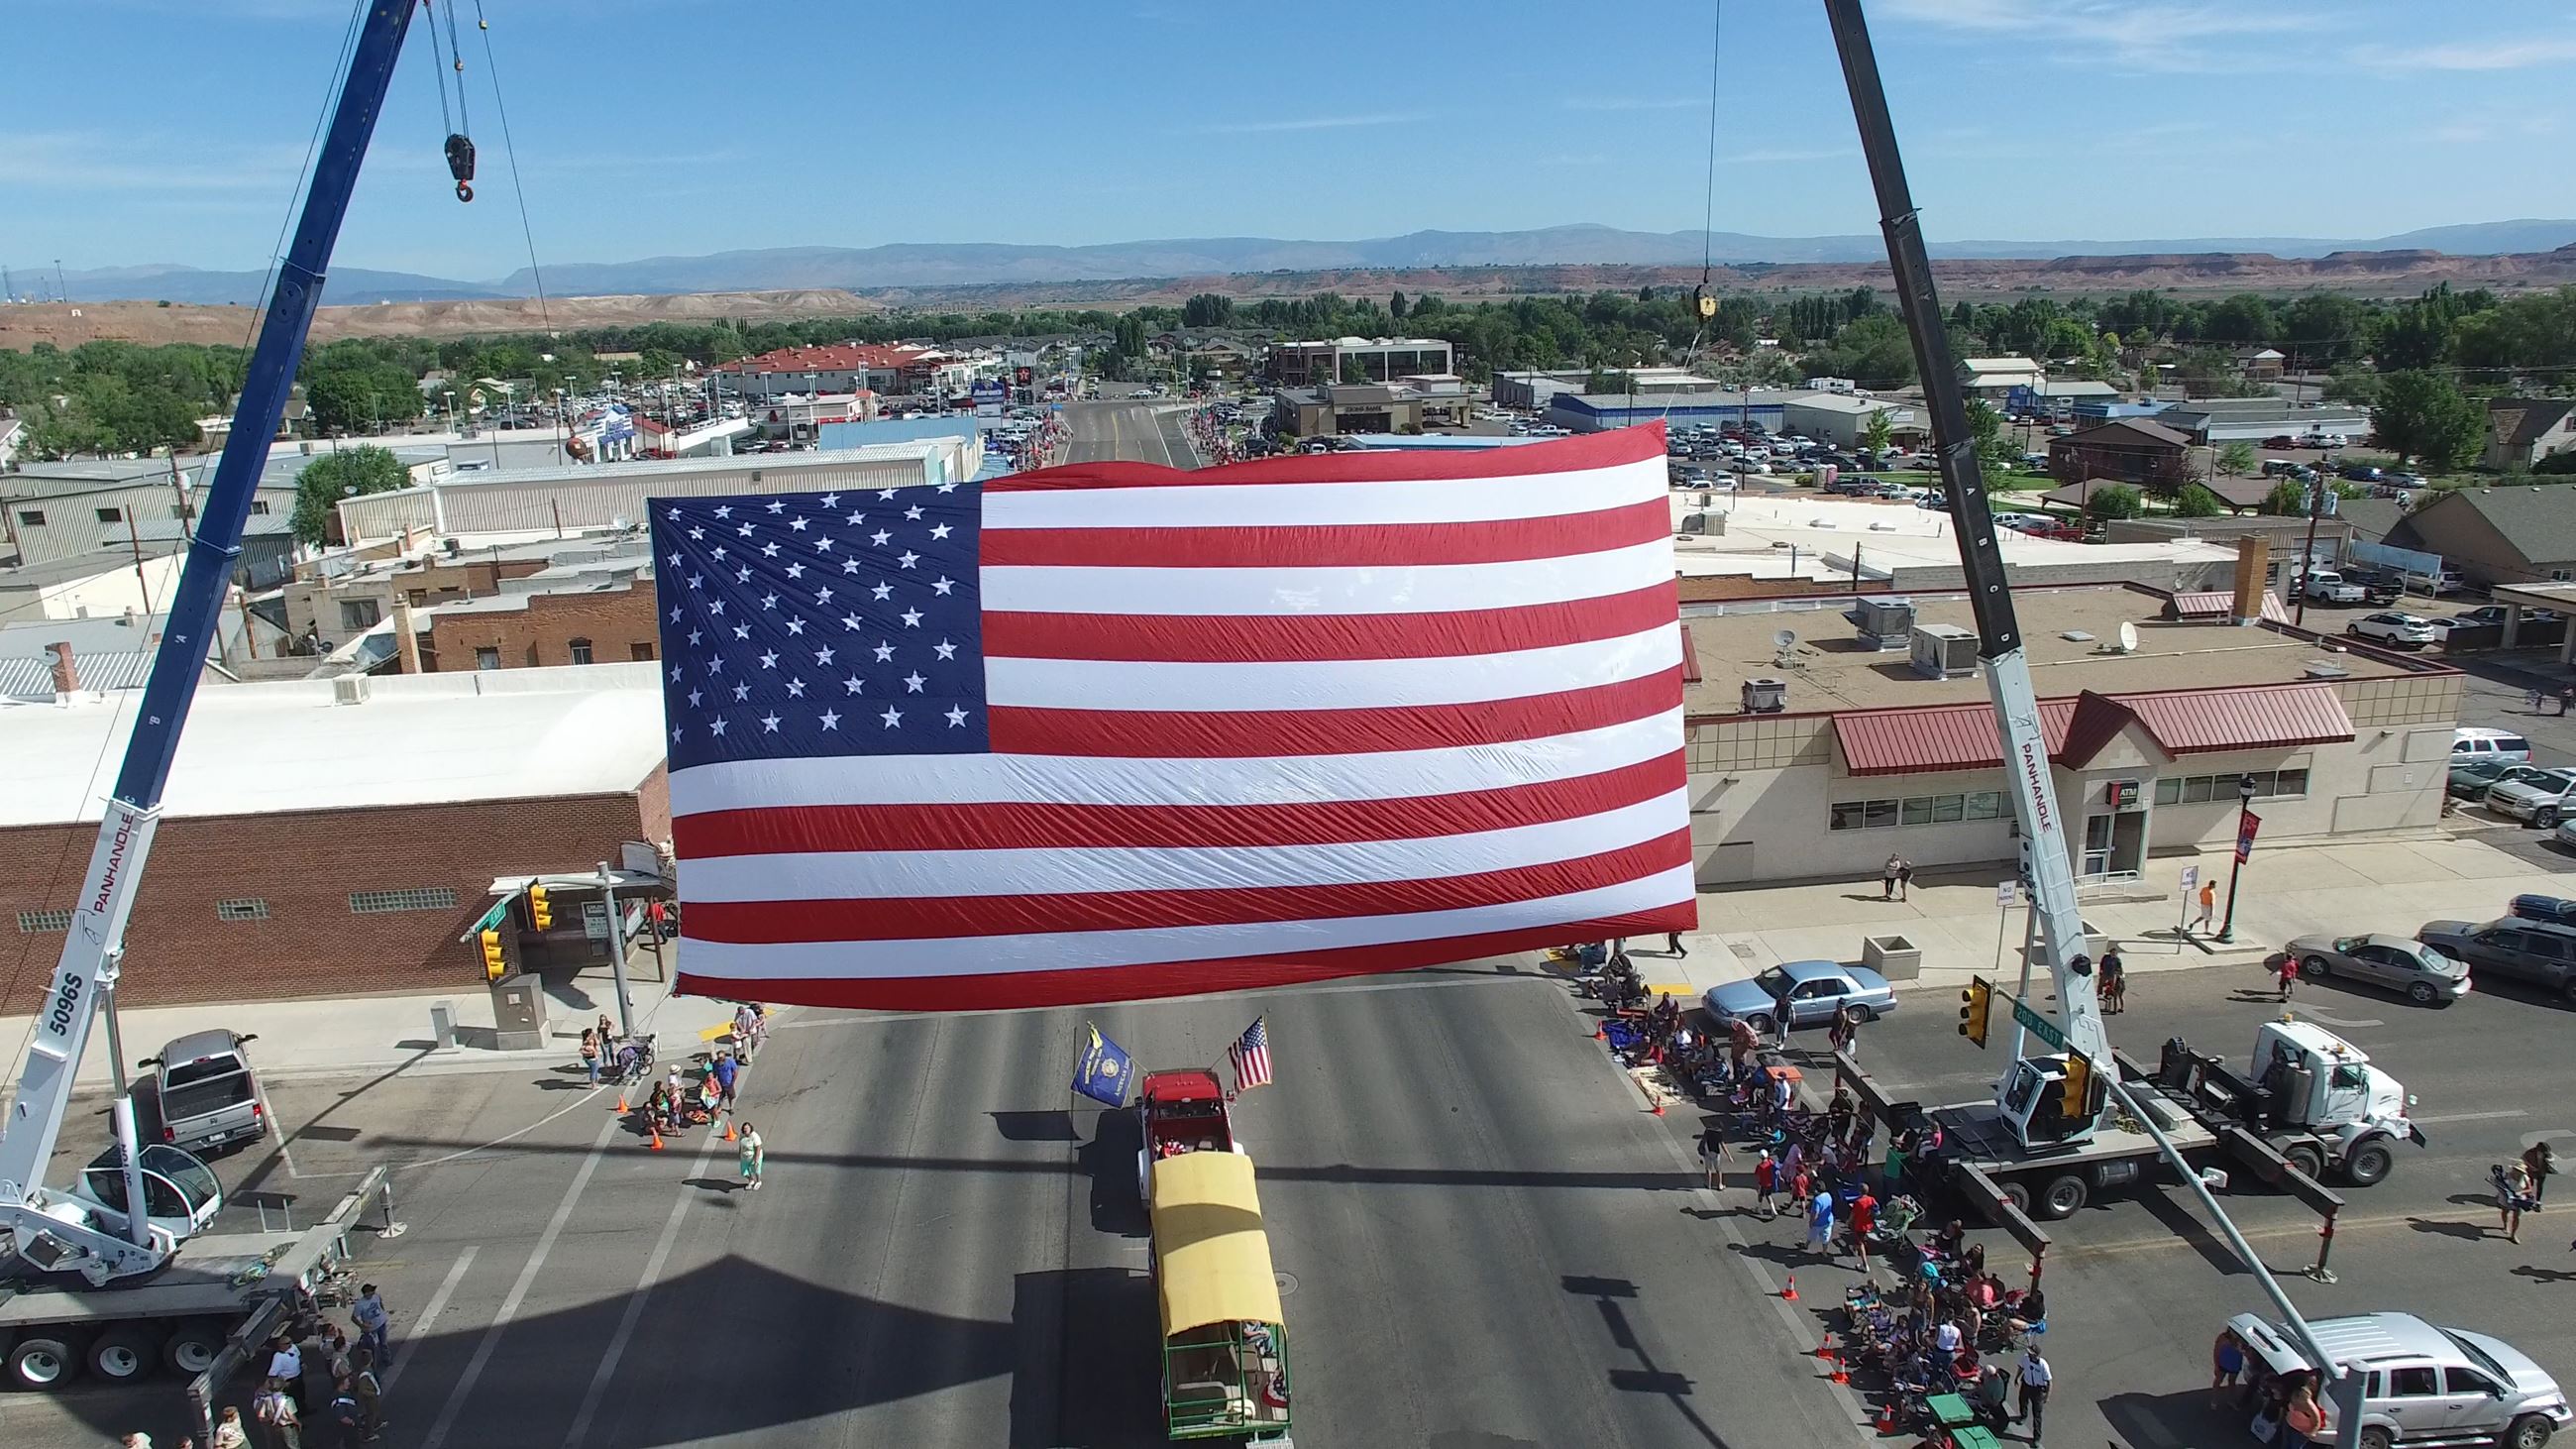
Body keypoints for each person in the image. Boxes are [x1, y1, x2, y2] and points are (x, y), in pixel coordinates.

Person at [2014, 1345, 2052, 1447]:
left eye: (2031, 1352)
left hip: (2037, 1390)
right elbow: (2021, 1367)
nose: (2029, 1353)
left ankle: (2037, 1437)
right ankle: (2023, 1416)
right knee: (2022, 1401)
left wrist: (2047, 1396)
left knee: (2037, 1415)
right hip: (2026, 1385)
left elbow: (2049, 1381)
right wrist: (2017, 1377)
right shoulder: (2026, 1358)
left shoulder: (2043, 1365)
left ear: (2035, 1354)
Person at [255, 1378, 303, 1449]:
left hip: (275, 1425)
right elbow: (291, 1415)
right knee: (292, 1444)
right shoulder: (288, 1400)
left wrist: (271, 1418)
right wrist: (298, 1423)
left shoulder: (266, 1399)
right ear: (283, 1387)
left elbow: (261, 1415)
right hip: (287, 1425)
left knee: (279, 1444)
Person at [2283, 1376, 2328, 1449]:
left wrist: (2311, 1433)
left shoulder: (2310, 1407)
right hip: (2290, 1425)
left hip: (2301, 1433)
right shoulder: (2294, 1397)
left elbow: (2317, 1422)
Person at [351, 1283, 391, 1367]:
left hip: (381, 1323)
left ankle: (387, 1359)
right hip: (371, 1328)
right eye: (371, 1292)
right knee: (372, 1347)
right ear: (366, 1293)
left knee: (384, 1343)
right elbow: (353, 1318)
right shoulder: (360, 1305)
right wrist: (362, 1326)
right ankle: (372, 1363)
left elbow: (380, 1303)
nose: (373, 1293)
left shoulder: (376, 1296)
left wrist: (383, 1313)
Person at [350, 1347, 385, 1440]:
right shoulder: (365, 1373)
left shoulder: (365, 1369)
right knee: (371, 1414)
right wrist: (371, 1394)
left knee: (375, 1410)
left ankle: (377, 1423)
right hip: (370, 1397)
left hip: (373, 1394)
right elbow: (362, 1390)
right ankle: (368, 1434)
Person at [2499, 1160, 2537, 1244]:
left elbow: (2529, 1189)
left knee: (2517, 1217)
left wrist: (2521, 1192)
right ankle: (2505, 1226)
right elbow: (2500, 1185)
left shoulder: (2525, 1178)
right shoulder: (2506, 1176)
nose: (2518, 1172)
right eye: (2516, 1170)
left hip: (2519, 1199)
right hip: (2506, 1198)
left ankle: (2513, 1235)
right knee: (2505, 1211)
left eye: (2520, 1171)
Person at [2211, 1328, 2246, 1409]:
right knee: (2218, 1381)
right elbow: (2216, 1350)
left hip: (2235, 1364)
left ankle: (2231, 1400)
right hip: (2223, 1363)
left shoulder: (2241, 1339)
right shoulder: (2223, 1337)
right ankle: (2214, 1399)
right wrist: (2216, 1365)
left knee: (2232, 1382)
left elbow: (2245, 1351)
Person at [1850, 1186, 1878, 1271]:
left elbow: (1853, 1214)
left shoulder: (1858, 1202)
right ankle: (1854, 1248)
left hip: (1859, 1225)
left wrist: (1848, 1221)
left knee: (1860, 1243)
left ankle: (1865, 1265)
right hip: (1868, 1224)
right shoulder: (1871, 1199)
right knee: (1859, 1239)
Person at [1805, 1183, 1837, 1258]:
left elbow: (1816, 1213)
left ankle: (1806, 1245)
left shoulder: (1817, 1200)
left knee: (1812, 1234)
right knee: (1826, 1237)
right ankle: (1824, 1252)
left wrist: (1811, 1222)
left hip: (1818, 1223)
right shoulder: (1828, 1195)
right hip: (1828, 1220)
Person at [2098, 946, 2126, 1015]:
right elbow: (2101, 964)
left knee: (2116, 996)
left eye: (2115, 953)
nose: (2114, 954)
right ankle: (2100, 993)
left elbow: (2120, 970)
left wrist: (2113, 986)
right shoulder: (2106, 957)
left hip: (2114, 980)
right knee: (2101, 983)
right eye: (2113, 953)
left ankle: (2115, 1009)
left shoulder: (2117, 960)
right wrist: (2101, 971)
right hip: (2106, 974)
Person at [739, 1121, 766, 1191]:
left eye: (747, 1128)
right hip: (744, 1157)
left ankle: (758, 1181)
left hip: (754, 1157)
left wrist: (756, 1159)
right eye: (744, 1128)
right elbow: (740, 1144)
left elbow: (758, 1148)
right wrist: (740, 1154)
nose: (745, 1130)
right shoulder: (742, 1135)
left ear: (750, 1128)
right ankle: (751, 1180)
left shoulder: (755, 1136)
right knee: (744, 1171)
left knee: (756, 1171)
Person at [1753, 1148, 1778, 1219]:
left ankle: (1760, 1209)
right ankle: (1773, 1210)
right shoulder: (1770, 1163)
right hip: (1770, 1183)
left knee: (1760, 1195)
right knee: (1768, 1196)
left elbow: (1757, 1176)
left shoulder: (1760, 1166)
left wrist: (1757, 1185)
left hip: (1762, 1184)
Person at [1697, 1124, 1725, 1190]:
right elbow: (1722, 1144)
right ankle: (1720, 1185)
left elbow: (1703, 1140)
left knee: (1708, 1169)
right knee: (1718, 1169)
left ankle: (1708, 1184)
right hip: (1716, 1152)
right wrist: (1729, 1156)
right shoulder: (1719, 1133)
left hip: (1707, 1152)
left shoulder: (1707, 1131)